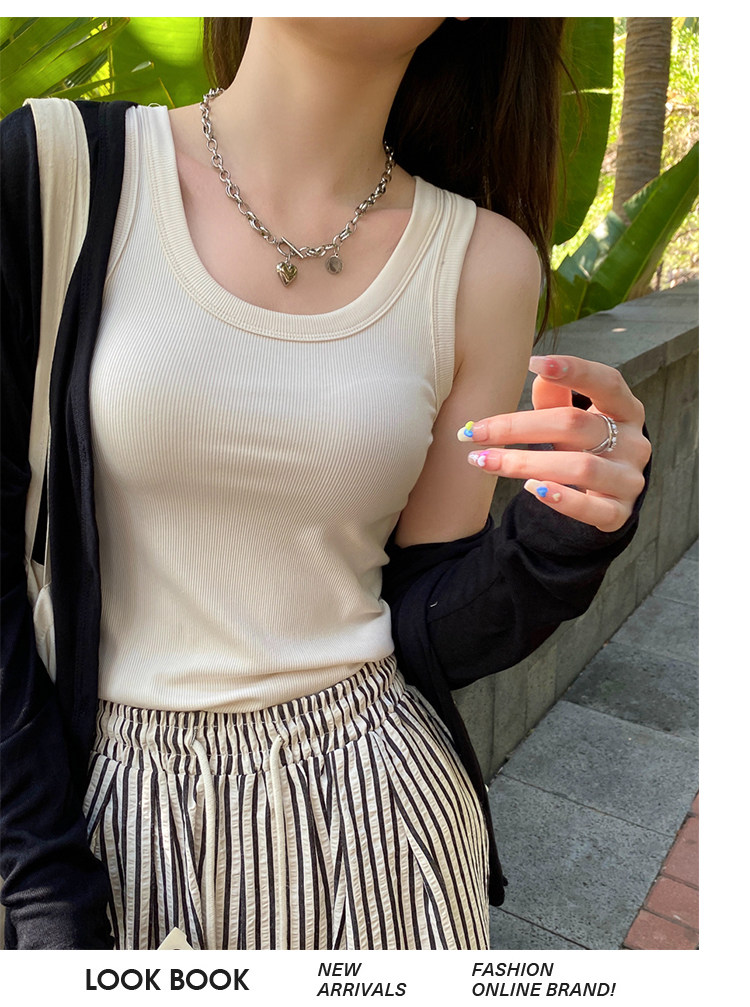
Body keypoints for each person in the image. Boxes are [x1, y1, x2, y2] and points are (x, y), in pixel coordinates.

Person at [0, 17, 651, 950]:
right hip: (101, 826)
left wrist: (565, 535)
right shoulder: (55, 169)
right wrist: (44, 890)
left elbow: (425, 617)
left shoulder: (481, 262)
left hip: (385, 828)